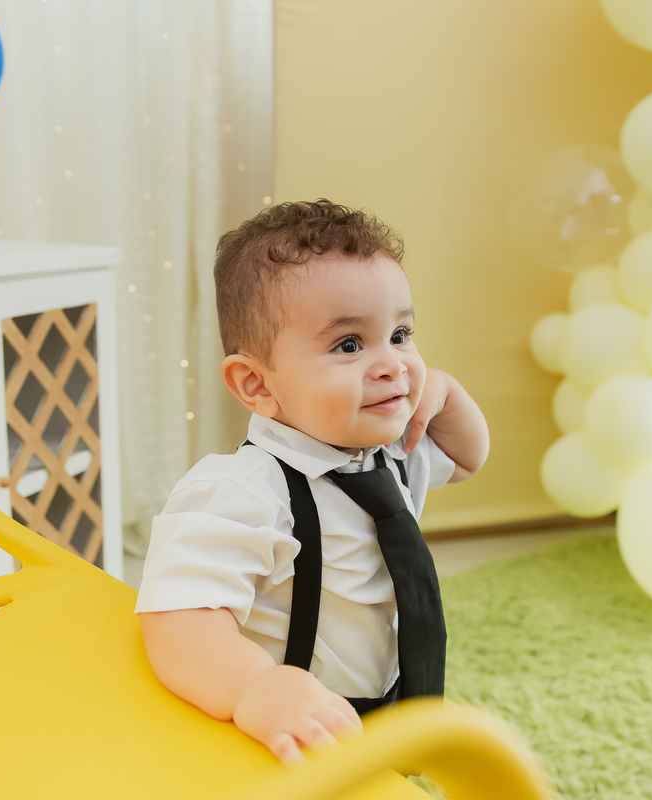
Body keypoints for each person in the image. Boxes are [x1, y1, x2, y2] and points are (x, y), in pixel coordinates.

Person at [135, 199, 489, 764]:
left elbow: (468, 456)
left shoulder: (389, 453)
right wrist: (257, 689)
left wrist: (443, 389)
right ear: (256, 384)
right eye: (349, 344)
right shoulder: (244, 491)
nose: (393, 364)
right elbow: (177, 619)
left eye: (401, 334)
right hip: (295, 723)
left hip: (386, 700)